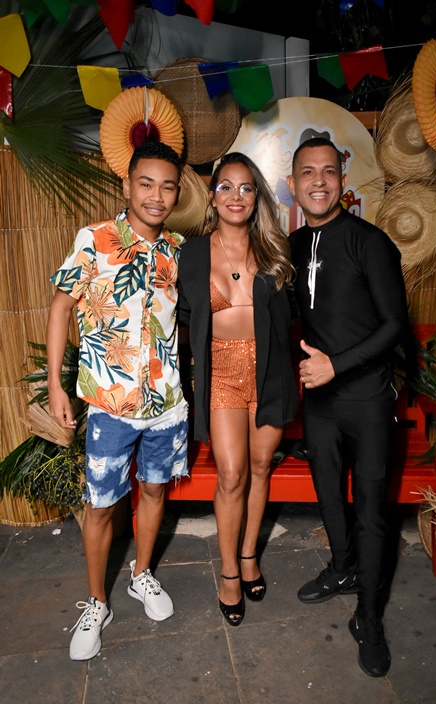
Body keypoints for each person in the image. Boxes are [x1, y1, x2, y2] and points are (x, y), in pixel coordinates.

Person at [47, 141, 189, 660]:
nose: (156, 195)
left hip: (166, 404)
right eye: (145, 183)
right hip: (110, 406)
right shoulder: (95, 239)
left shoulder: (178, 250)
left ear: (177, 192)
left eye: (167, 186)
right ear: (127, 185)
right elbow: (61, 308)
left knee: (153, 492)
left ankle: (141, 574)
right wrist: (56, 385)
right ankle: (96, 602)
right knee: (102, 506)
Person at [287, 137, 409, 677]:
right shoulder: (292, 245)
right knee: (329, 497)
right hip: (319, 402)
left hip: (367, 399)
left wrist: (336, 365)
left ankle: (370, 619)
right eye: (308, 173)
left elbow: (394, 325)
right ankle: (341, 568)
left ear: (342, 179)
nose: (319, 181)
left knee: (371, 513)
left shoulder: (371, 243)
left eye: (328, 172)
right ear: (292, 184)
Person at [178, 152, 298, 626]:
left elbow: (297, 315)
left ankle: (249, 555)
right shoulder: (191, 253)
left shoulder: (274, 249)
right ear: (212, 197)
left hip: (270, 370)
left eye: (246, 188)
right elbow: (176, 315)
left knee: (261, 465)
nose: (236, 196)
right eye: (226, 187)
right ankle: (229, 571)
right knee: (231, 473)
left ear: (256, 197)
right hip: (221, 371)